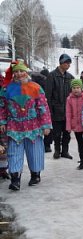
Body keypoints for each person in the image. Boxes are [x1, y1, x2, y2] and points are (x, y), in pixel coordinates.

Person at [0, 60, 52, 190]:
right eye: (16, 71)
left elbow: (43, 107)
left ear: (26, 71)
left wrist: (46, 125)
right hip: (14, 126)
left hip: (33, 126)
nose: (19, 74)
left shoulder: (36, 87)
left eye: (21, 71)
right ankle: (15, 178)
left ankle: (35, 175)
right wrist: (2, 121)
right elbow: (2, 107)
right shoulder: (6, 89)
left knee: (35, 152)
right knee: (14, 153)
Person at [45, 54, 74, 159]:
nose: (68, 65)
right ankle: (57, 150)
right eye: (66, 63)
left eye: (69, 63)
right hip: (55, 109)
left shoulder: (70, 77)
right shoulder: (51, 75)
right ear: (61, 63)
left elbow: (73, 94)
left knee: (67, 133)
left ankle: (65, 151)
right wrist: (49, 110)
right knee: (57, 133)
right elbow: (48, 94)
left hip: (67, 110)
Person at [66, 79, 83, 170]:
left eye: (78, 88)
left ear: (81, 88)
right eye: (74, 88)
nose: (76, 90)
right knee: (80, 144)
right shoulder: (69, 99)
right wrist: (68, 126)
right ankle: (82, 161)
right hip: (75, 125)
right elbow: (68, 113)